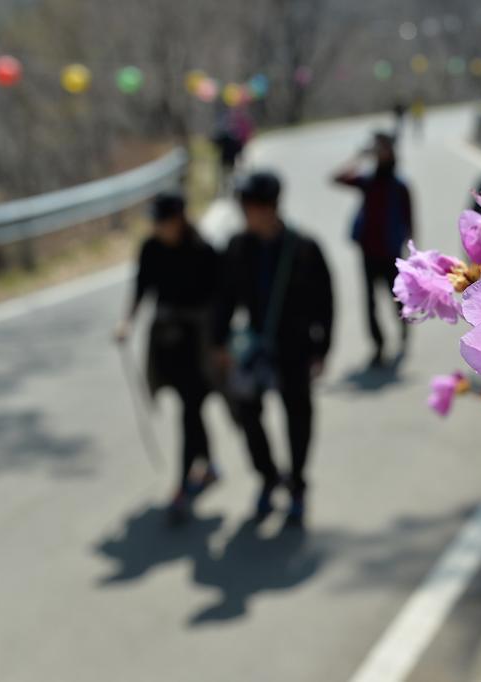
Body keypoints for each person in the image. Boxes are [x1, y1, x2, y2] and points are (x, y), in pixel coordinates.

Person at [213, 171, 333, 526]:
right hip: (253, 347)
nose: (245, 213)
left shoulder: (304, 246)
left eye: (249, 206)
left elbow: (324, 301)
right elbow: (225, 297)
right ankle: (267, 477)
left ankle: (297, 483)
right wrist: (219, 342)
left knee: (298, 416)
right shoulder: (237, 246)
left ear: (269, 207)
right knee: (248, 415)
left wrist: (321, 349)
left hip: (294, 347)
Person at [115, 192, 220, 520]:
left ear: (179, 218)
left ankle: (183, 484)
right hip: (165, 342)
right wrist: (127, 322)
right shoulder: (151, 248)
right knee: (190, 407)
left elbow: (220, 299)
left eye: (163, 220)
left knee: (191, 408)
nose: (159, 227)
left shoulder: (204, 251)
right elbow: (142, 287)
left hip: (198, 343)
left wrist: (220, 342)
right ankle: (208, 465)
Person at [333, 131, 414, 368]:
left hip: (391, 252)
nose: (379, 153)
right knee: (369, 302)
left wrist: (413, 254)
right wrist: (359, 156)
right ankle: (378, 346)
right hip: (368, 251)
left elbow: (410, 220)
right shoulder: (368, 180)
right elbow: (336, 178)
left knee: (396, 297)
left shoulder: (400, 185)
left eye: (382, 149)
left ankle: (404, 327)